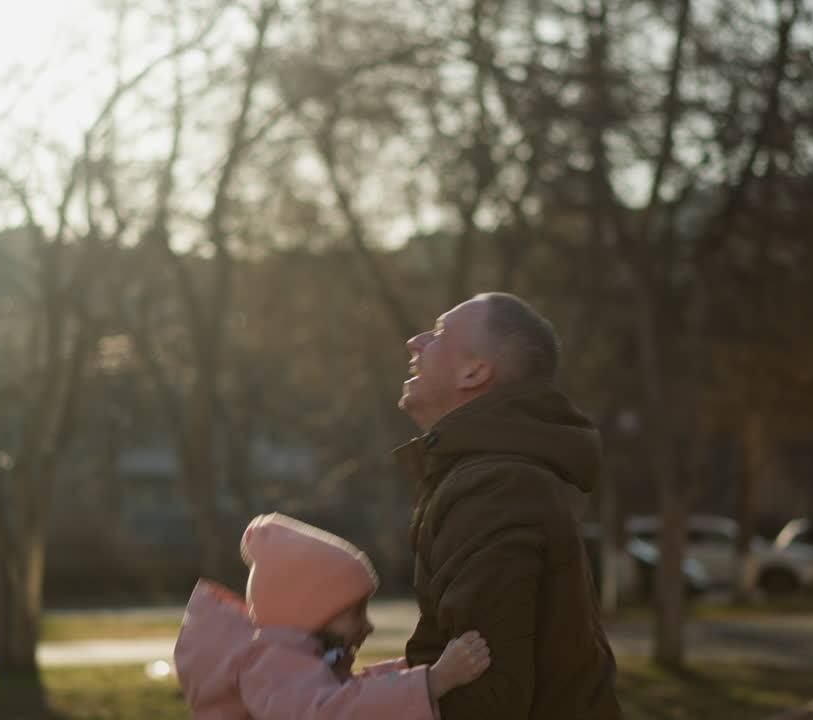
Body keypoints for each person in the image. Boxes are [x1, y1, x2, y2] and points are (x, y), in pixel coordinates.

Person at [395, 291, 623, 719]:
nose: (416, 341)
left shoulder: (494, 487)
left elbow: (486, 696)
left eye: (440, 333)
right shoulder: (490, 477)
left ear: (475, 371)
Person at [174, 512, 491, 719]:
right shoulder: (270, 664)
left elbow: (346, 692)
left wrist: (413, 668)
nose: (367, 626)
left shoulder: (289, 661)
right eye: (354, 612)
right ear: (309, 611)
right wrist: (433, 681)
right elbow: (335, 711)